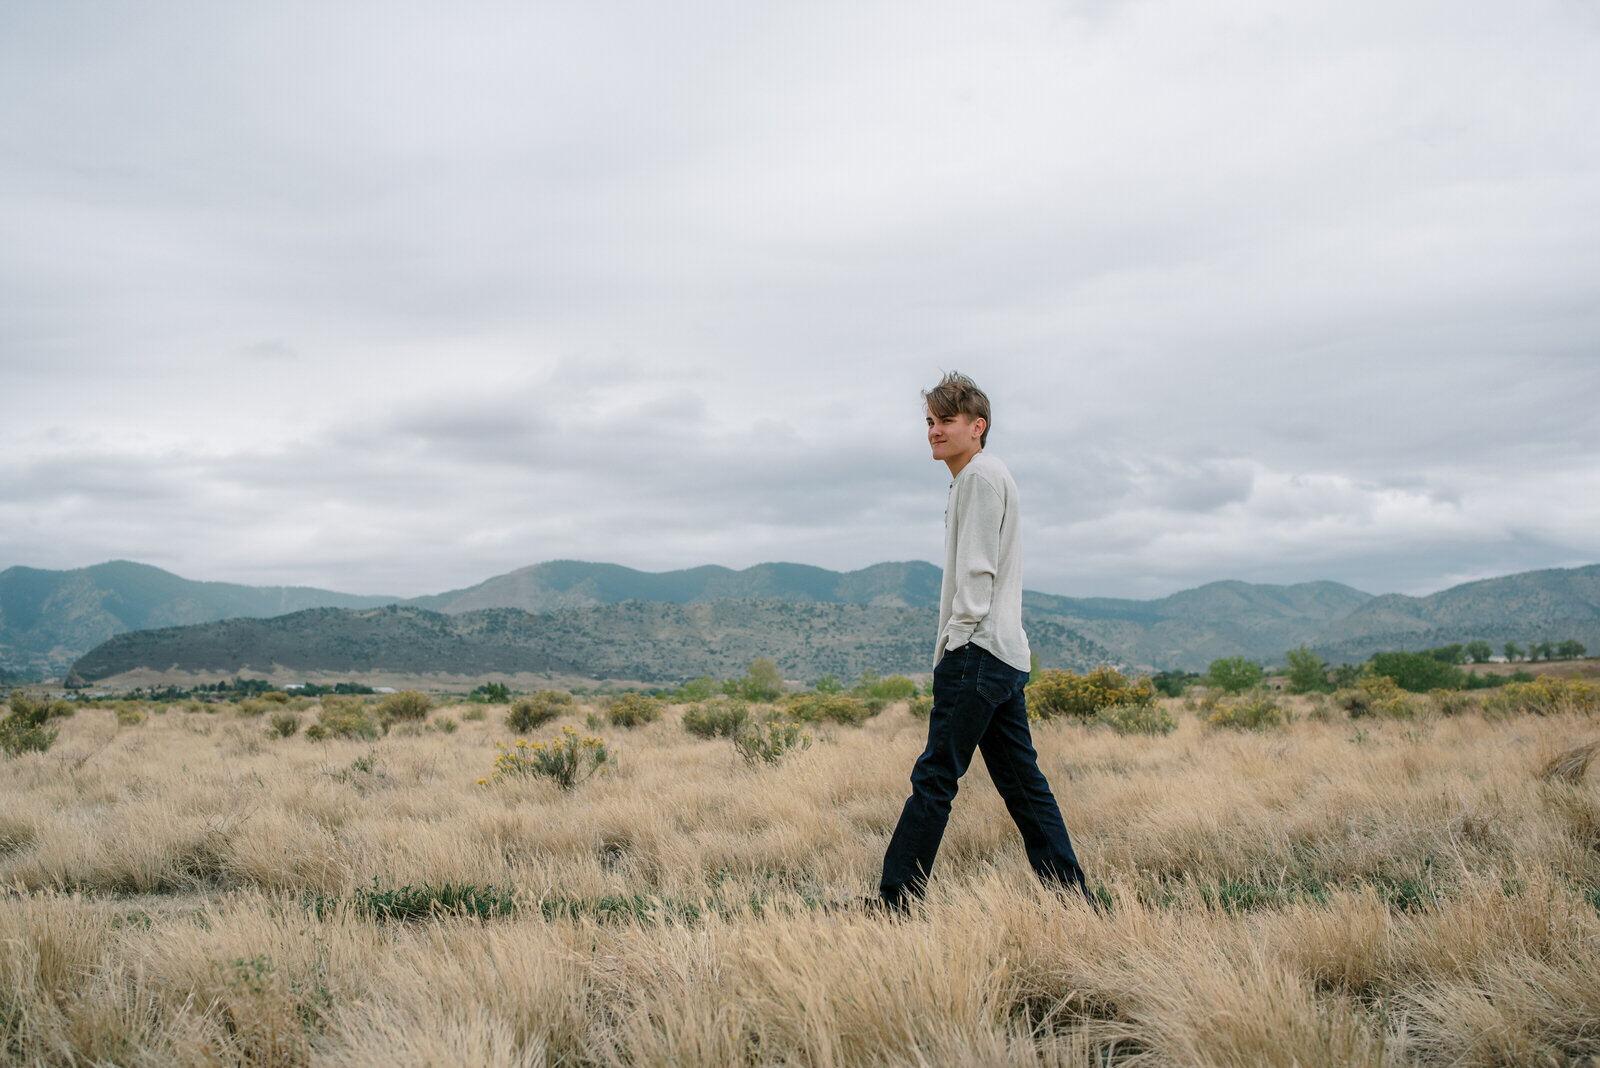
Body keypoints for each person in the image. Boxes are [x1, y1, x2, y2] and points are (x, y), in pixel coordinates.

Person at [877, 372, 1090, 910]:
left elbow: (977, 572)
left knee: (934, 778)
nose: (934, 431)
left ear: (978, 426)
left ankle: (895, 904)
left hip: (976, 652)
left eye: (946, 420)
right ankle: (1074, 902)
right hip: (1002, 653)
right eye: (929, 421)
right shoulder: (985, 475)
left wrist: (957, 640)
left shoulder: (978, 477)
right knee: (1024, 786)